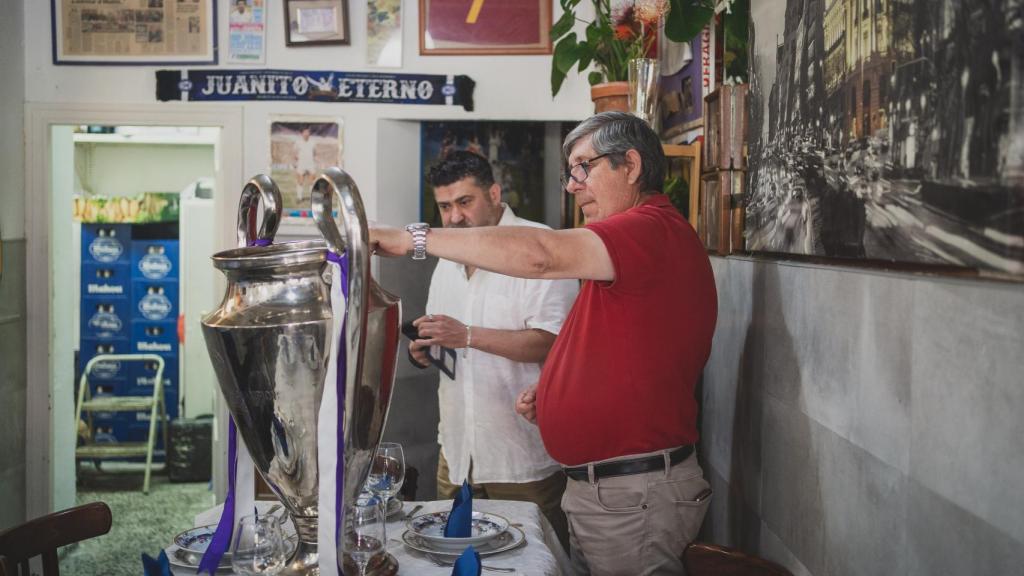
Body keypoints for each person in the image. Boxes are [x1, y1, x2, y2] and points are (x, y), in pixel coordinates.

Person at [372, 112, 718, 575]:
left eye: (583, 167)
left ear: (631, 165)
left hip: (631, 491)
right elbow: (612, 347)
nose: (573, 186)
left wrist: (412, 239)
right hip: (607, 488)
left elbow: (540, 257)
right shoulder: (629, 246)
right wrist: (556, 392)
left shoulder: (649, 227)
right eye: (570, 172)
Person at [410, 150, 578, 549]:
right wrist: (426, 350)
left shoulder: (540, 247)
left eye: (464, 202)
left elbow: (553, 342)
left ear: (495, 193)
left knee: (537, 562)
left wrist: (466, 334)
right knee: (448, 561)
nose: (453, 218)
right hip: (456, 452)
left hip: (520, 458)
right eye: (445, 206)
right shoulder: (447, 257)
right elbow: (449, 340)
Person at [293, 127, 317, 201]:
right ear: (302, 133)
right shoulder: (298, 142)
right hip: (301, 164)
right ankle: (299, 197)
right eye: (305, 132)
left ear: (309, 133)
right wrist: (296, 159)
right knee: (300, 181)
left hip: (310, 163)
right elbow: (294, 152)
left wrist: (313, 159)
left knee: (312, 181)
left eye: (308, 132)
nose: (306, 134)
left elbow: (315, 153)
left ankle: (311, 198)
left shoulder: (313, 142)